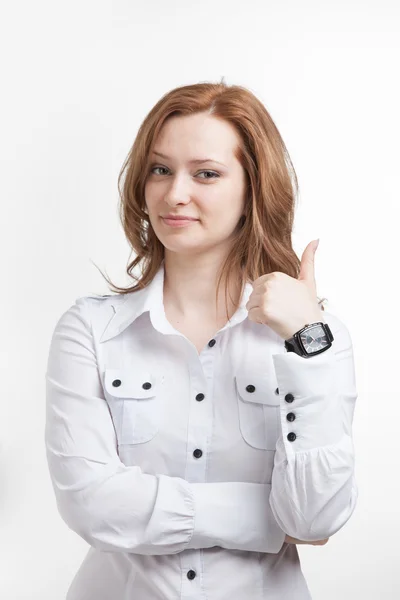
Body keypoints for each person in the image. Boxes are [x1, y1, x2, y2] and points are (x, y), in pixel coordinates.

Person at [45, 80, 358, 599]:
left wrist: (306, 342)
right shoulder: (90, 331)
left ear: (253, 189)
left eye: (206, 174)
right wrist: (264, 519)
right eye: (160, 169)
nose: (175, 194)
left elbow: (314, 517)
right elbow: (90, 504)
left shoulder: (317, 341)